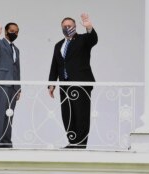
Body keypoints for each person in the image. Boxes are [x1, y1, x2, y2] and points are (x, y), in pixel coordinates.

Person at [48, 13, 98, 149]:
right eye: (64, 26)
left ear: (75, 27)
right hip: (65, 84)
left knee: (81, 113)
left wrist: (89, 28)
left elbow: (93, 39)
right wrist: (51, 83)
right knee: (67, 114)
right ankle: (73, 141)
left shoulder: (83, 40)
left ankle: (81, 144)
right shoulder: (59, 45)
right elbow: (55, 65)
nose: (67, 28)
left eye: (69, 26)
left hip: (81, 83)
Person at [0, 22, 21, 148]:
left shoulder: (16, 49)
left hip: (13, 86)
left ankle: (7, 142)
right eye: (12, 30)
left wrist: (18, 88)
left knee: (10, 114)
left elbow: (17, 69)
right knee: (0, 112)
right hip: (3, 82)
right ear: (6, 32)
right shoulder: (1, 43)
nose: (15, 33)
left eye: (17, 31)